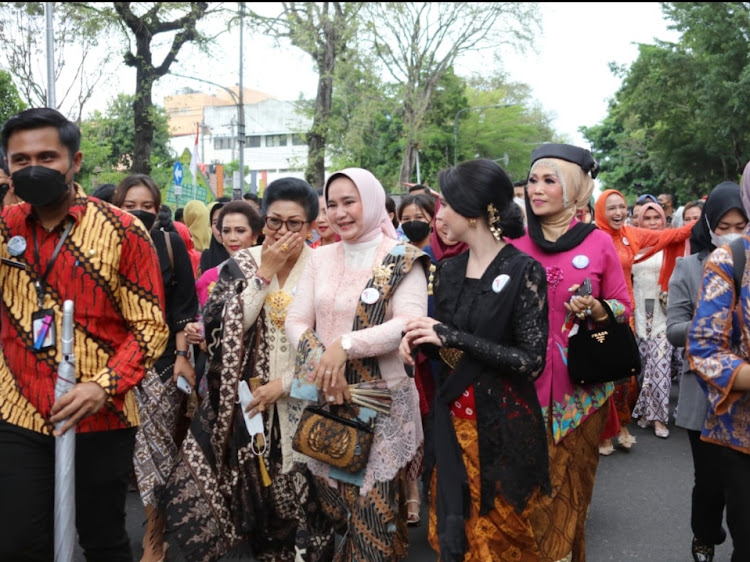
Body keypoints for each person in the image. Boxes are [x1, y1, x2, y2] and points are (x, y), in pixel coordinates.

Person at [0, 107, 169, 560]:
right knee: (17, 543)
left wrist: (104, 386)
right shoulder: (3, 230)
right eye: (20, 160)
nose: (33, 168)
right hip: (18, 410)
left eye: (47, 156)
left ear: (74, 162)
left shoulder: (124, 231)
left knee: (103, 539)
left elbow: (151, 328)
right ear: (7, 169)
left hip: (102, 414)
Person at [165, 178, 335, 561]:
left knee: (315, 510)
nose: (283, 233)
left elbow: (339, 341)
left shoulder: (324, 267)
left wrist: (288, 384)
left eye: (295, 224)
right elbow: (218, 331)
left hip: (309, 403)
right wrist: (262, 276)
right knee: (265, 508)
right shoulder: (242, 263)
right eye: (274, 222)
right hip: (253, 406)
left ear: (310, 226)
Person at [400, 158, 551, 561]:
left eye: (446, 204)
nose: (439, 214)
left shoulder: (524, 271)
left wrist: (450, 335)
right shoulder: (446, 271)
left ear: (476, 210)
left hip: (503, 428)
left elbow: (530, 361)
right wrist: (420, 342)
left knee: (503, 541)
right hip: (453, 424)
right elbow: (450, 353)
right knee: (455, 536)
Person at [286, 167, 429, 561]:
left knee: (373, 512)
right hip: (325, 396)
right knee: (333, 508)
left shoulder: (402, 258)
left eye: (350, 202)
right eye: (331, 204)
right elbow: (296, 320)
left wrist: (345, 345)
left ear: (372, 202)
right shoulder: (320, 257)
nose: (340, 212)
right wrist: (322, 363)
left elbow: (406, 324)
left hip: (379, 404)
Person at [511, 143, 631, 562]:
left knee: (571, 490)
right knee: (526, 494)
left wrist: (598, 308)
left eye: (549, 181)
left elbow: (622, 305)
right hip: (519, 387)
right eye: (532, 180)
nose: (536, 189)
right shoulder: (513, 243)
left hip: (580, 394)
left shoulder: (598, 244)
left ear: (577, 190)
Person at [112, 173, 199, 562]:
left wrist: (182, 357)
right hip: (111, 365)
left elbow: (184, 308)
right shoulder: (101, 244)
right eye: (131, 206)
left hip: (162, 362)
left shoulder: (171, 243)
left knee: (156, 453)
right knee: (119, 455)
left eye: (147, 206)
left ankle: (153, 537)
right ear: (117, 205)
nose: (139, 213)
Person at [667, 181, 746, 562]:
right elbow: (673, 330)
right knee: (711, 481)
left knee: (741, 487)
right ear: (710, 226)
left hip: (744, 396)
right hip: (703, 392)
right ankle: (704, 536)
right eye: (724, 226)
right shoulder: (689, 267)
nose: (732, 234)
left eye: (740, 225)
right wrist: (711, 321)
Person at [593, 189, 692, 454]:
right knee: (604, 377)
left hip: (630, 315)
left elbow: (675, 235)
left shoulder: (630, 235)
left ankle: (623, 425)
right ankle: (605, 434)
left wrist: (710, 215)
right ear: (600, 210)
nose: (617, 212)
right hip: (599, 316)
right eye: (611, 207)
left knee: (626, 377)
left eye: (621, 207)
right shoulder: (592, 238)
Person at [630, 202, 678, 438]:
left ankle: (659, 418)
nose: (651, 223)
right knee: (644, 365)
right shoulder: (633, 245)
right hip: (639, 311)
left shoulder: (671, 244)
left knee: (660, 365)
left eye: (656, 218)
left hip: (664, 312)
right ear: (639, 222)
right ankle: (644, 412)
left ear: (664, 219)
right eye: (646, 218)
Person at [195, 200, 261, 308]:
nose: (232, 238)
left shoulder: (270, 271)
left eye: (240, 231)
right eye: (226, 231)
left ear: (254, 235)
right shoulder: (209, 277)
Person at [398, 192, 436, 259]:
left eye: (419, 217)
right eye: (406, 219)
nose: (412, 222)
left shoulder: (441, 254)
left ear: (433, 220)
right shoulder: (397, 254)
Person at [198, 200, 229, 274]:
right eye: (215, 223)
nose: (220, 227)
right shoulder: (207, 256)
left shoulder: (248, 256)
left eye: (225, 222)